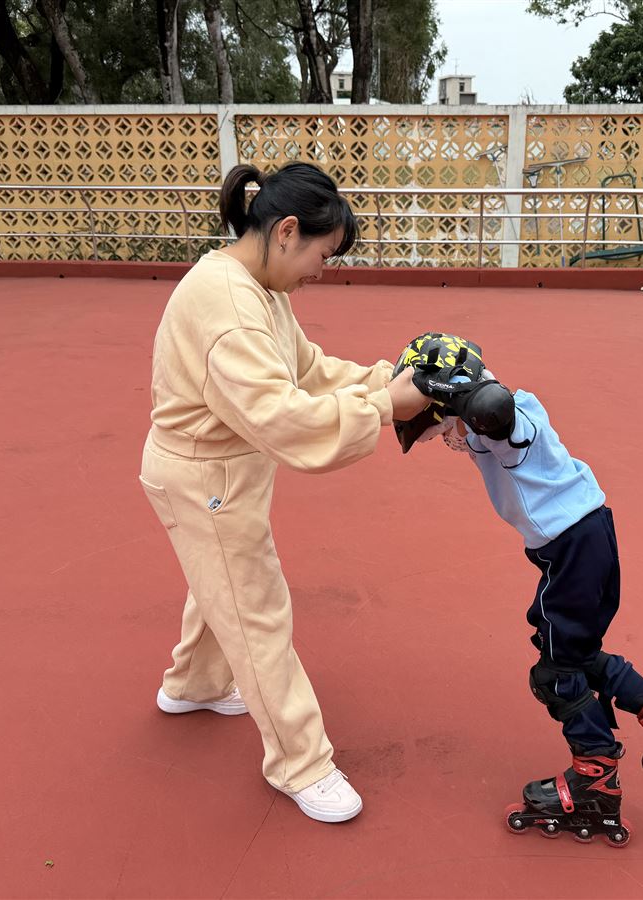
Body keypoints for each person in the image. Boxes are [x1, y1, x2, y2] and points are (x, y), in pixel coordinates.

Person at [393, 332, 643, 847]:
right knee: (576, 654)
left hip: (571, 550)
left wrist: (463, 397)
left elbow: (497, 413)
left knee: (555, 673)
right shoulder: (506, 417)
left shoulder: (506, 418)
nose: (447, 441)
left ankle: (595, 777)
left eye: (441, 430)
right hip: (587, 538)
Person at [138, 161, 427, 824]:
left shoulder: (257, 286)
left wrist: (389, 380)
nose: (322, 272)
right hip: (204, 478)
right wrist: (388, 406)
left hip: (212, 472)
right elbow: (283, 419)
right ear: (288, 231)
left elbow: (307, 370)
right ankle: (302, 764)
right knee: (256, 612)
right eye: (324, 256)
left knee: (220, 583)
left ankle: (193, 684)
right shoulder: (230, 308)